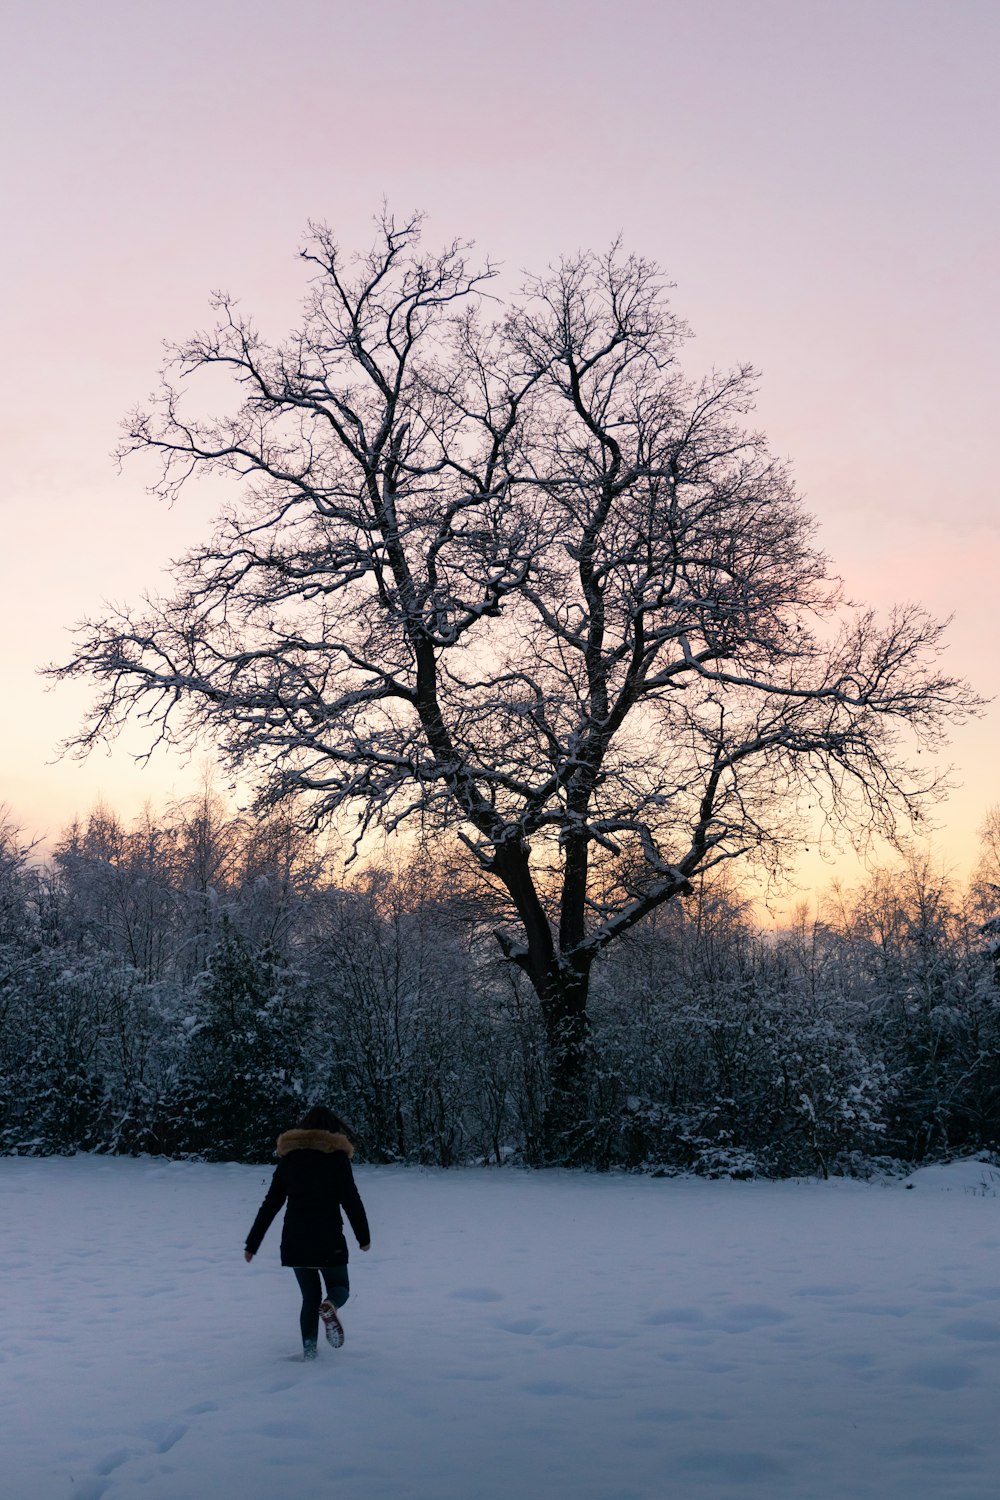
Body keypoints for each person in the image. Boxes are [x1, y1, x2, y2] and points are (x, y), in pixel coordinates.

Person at [244, 1105, 371, 1360]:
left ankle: (310, 1353)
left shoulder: (289, 1159)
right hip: (329, 1238)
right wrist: (363, 1237)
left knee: (309, 1298)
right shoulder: (337, 1159)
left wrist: (252, 1244)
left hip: (295, 1241)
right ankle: (331, 1305)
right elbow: (351, 1200)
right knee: (340, 1286)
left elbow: (272, 1203)